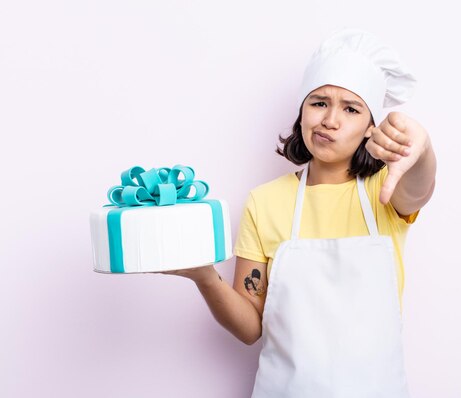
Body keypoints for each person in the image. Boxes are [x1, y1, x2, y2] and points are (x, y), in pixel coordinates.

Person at [165, 28, 437, 397]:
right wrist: (204, 277)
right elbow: (249, 328)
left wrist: (421, 151)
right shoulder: (265, 201)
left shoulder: (384, 191)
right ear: (302, 110)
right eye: (319, 102)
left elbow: (418, 187)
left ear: (369, 127)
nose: (330, 120)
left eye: (351, 109)